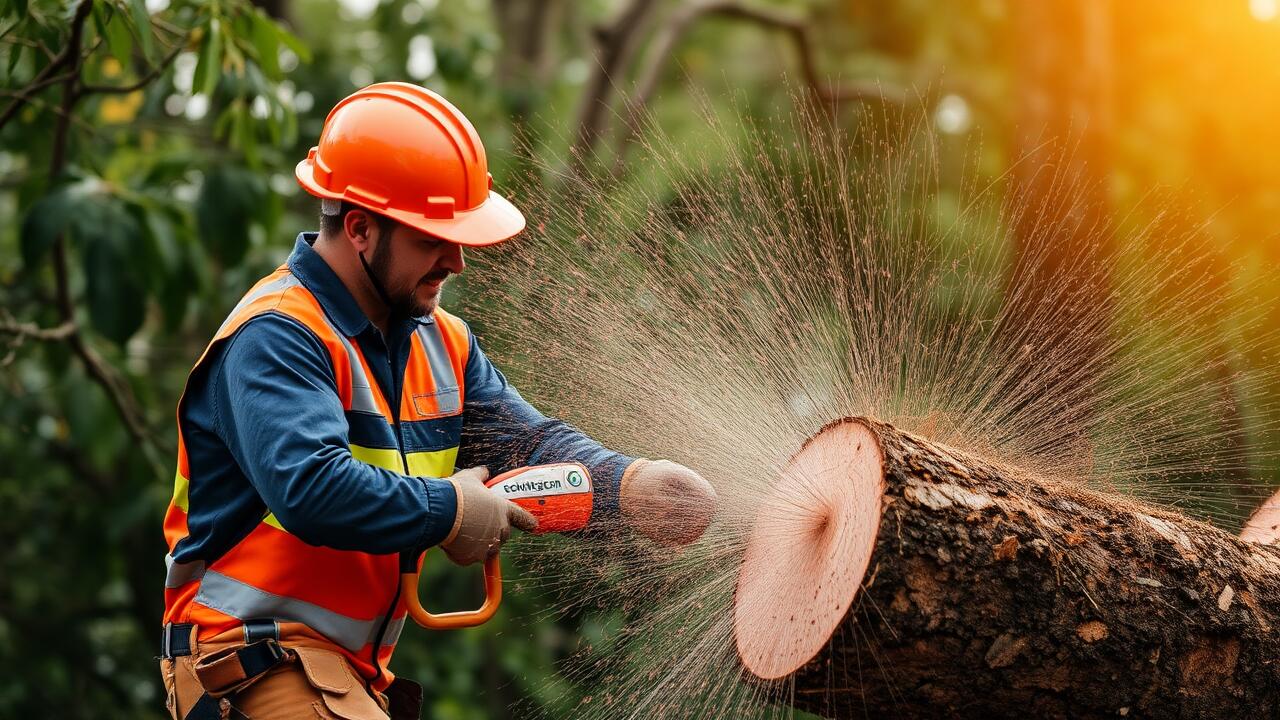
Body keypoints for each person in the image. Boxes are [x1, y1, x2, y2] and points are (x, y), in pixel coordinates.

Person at [158, 82, 718, 720]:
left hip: (340, 672)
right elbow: (311, 487)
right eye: (432, 239)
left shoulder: (442, 341)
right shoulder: (276, 335)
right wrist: (450, 509)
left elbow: (528, 446)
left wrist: (626, 485)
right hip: (246, 659)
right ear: (362, 229)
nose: (455, 260)